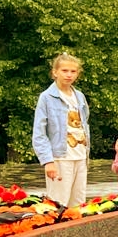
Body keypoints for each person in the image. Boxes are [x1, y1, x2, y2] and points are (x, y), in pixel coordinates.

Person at [32, 52, 90, 207]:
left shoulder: (79, 96)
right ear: (55, 72)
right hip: (60, 158)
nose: (69, 75)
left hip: (81, 156)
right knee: (58, 204)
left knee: (78, 205)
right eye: (64, 70)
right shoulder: (46, 97)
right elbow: (39, 133)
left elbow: (84, 123)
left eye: (73, 71)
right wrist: (48, 161)